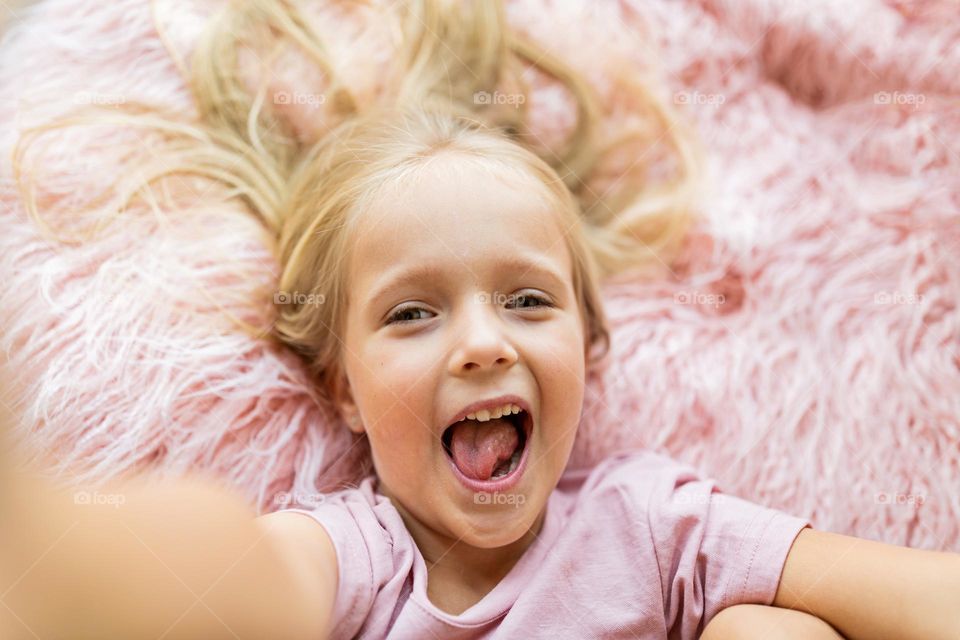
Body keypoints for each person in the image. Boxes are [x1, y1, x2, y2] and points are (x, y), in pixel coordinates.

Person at [3, 1, 958, 638]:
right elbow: (239, 580)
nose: (484, 342)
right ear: (342, 387)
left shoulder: (647, 521)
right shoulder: (360, 558)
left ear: (588, 349)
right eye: (413, 313)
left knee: (770, 625)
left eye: (529, 300)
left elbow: (885, 587)